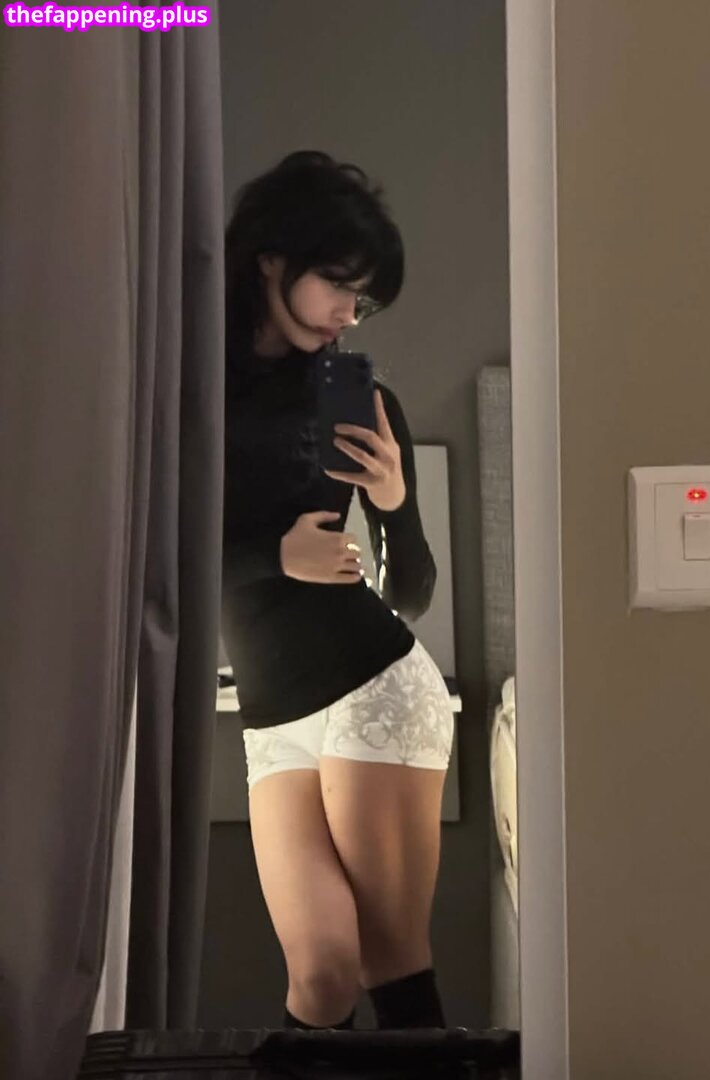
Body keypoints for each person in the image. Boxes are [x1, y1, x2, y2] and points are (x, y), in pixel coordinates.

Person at [221, 150, 454, 1032]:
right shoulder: (189, 397)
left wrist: (390, 501)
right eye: (339, 287)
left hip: (373, 686)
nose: (348, 315)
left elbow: (413, 591)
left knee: (390, 961)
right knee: (319, 980)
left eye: (364, 300)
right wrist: (276, 557)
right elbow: (157, 563)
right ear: (272, 260)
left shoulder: (359, 400)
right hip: (273, 716)